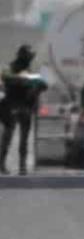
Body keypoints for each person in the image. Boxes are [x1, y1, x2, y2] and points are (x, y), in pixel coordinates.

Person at [0, 45, 47, 175]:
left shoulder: (29, 71)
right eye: (28, 56)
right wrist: (25, 80)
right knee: (8, 136)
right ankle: (2, 163)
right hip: (12, 105)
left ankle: (22, 165)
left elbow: (43, 84)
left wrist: (35, 87)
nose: (30, 59)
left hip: (26, 106)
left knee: (24, 139)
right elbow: (6, 77)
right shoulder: (11, 67)